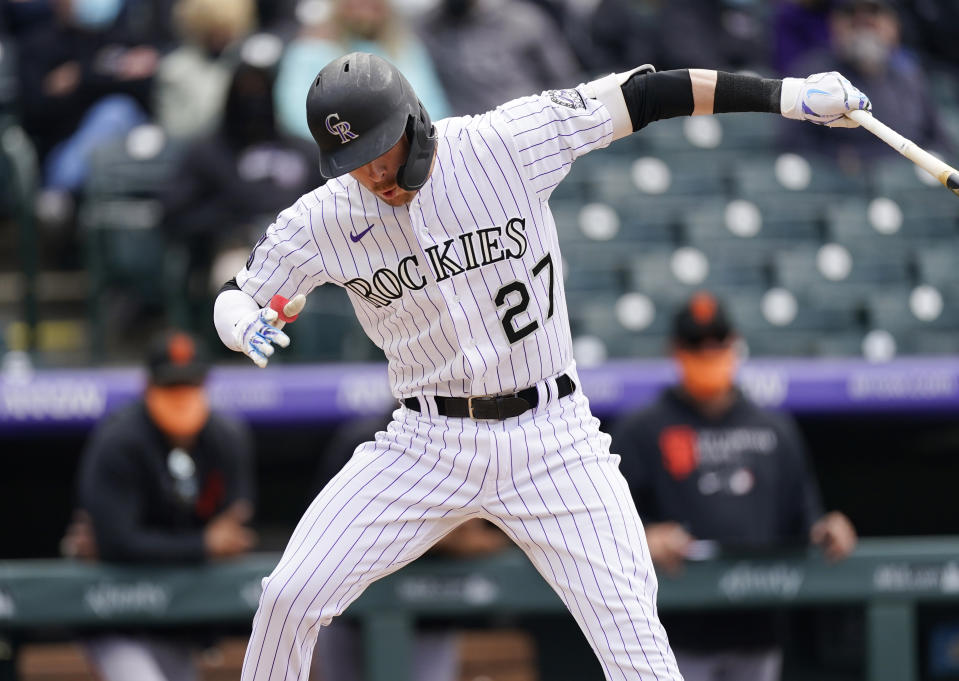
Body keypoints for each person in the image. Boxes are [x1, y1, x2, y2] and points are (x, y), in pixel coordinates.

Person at [212, 51, 871, 681]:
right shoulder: (328, 215)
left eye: (378, 150)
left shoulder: (502, 143)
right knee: (289, 595)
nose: (373, 175)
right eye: (353, 161)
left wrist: (784, 96)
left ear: (412, 121)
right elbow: (239, 292)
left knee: (633, 636)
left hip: (552, 436)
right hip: (425, 441)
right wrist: (241, 322)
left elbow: (646, 93)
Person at [611, 291, 858, 681]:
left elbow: (803, 516)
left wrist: (827, 528)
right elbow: (605, 519)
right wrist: (644, 535)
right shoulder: (642, 429)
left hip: (758, 633)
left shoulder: (775, 428)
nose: (709, 353)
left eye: (718, 342)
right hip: (674, 637)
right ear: (675, 350)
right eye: (696, 344)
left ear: (734, 344)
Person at [63, 330, 257, 681]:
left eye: (190, 384)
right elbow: (116, 542)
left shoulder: (226, 438)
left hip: (182, 622)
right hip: (117, 614)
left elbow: (237, 531)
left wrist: (168, 544)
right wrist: (202, 544)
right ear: (148, 385)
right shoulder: (120, 441)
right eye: (171, 385)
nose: (181, 396)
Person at [308, 413, 510, 681]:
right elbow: (324, 528)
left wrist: (471, 534)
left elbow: (499, 531)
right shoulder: (365, 438)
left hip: (433, 612)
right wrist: (443, 536)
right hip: (349, 611)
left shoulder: (479, 441)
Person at [784, 0, 951, 164]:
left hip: (906, 185)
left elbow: (940, 143)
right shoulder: (813, 76)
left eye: (874, 12)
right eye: (850, 12)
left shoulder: (910, 75)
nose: (863, 20)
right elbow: (795, 147)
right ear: (834, 23)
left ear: (894, 25)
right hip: (839, 187)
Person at [416, 0, 581, 116]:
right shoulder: (426, 30)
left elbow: (564, 81)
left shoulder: (522, 19)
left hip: (530, 131)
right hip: (470, 144)